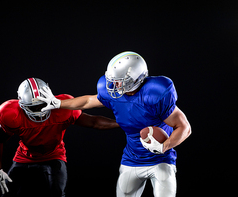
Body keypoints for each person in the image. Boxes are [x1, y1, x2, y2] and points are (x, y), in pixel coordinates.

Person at [38, 51, 192, 197]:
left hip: (161, 160)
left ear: (136, 79)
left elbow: (185, 127)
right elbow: (87, 101)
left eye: (120, 81)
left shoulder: (155, 93)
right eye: (113, 81)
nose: (115, 86)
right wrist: (58, 103)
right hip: (131, 159)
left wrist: (164, 146)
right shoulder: (111, 92)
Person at [0, 77, 119, 197]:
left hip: (54, 155)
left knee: (57, 192)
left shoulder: (62, 109)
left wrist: (122, 123)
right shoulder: (11, 114)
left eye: (42, 105)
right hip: (25, 156)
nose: (39, 111)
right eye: (34, 107)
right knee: (7, 193)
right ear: (21, 105)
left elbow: (93, 122)